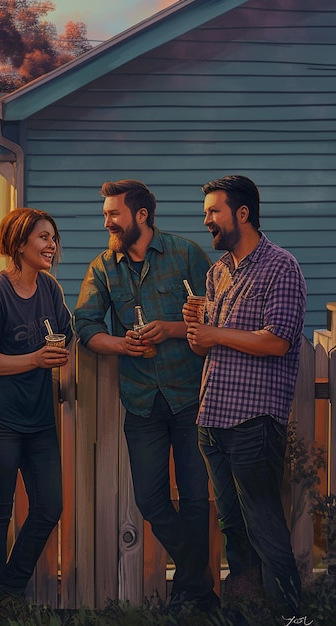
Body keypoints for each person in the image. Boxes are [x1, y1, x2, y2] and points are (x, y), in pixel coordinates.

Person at [74, 179, 218, 613]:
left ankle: (193, 597)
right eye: (105, 215)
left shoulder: (186, 254)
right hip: (141, 401)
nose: (107, 222)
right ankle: (199, 580)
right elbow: (85, 326)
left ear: (140, 215)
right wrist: (122, 345)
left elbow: (216, 311)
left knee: (195, 497)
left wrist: (172, 327)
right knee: (151, 499)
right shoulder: (103, 267)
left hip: (191, 395)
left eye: (113, 214)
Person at [183, 175, 306, 617]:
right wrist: (197, 327)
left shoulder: (280, 266)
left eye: (214, 212)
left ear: (242, 213)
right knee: (233, 528)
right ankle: (249, 612)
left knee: (265, 528)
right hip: (212, 419)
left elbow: (278, 341)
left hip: (253, 421)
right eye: (205, 213)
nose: (207, 220)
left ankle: (292, 615)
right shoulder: (217, 273)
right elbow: (203, 347)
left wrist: (215, 331)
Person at [0, 208, 72, 612]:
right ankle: (1, 598)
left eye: (53, 238)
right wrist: (34, 359)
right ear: (19, 243)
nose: (52, 245)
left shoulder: (49, 289)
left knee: (49, 505)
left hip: (38, 418)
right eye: (43, 238)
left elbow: (64, 335)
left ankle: (7, 589)